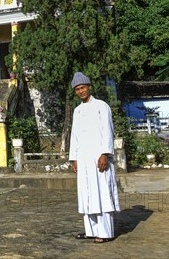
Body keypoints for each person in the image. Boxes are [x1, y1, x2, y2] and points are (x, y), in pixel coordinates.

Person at [69, 71, 120, 243]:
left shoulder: (101, 106)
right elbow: (74, 135)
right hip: (83, 159)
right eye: (77, 89)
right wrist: (74, 158)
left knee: (102, 193)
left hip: (99, 157)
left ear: (89, 87)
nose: (81, 91)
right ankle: (90, 231)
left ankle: (105, 233)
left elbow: (108, 130)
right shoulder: (77, 111)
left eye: (83, 87)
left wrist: (104, 154)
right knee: (87, 193)